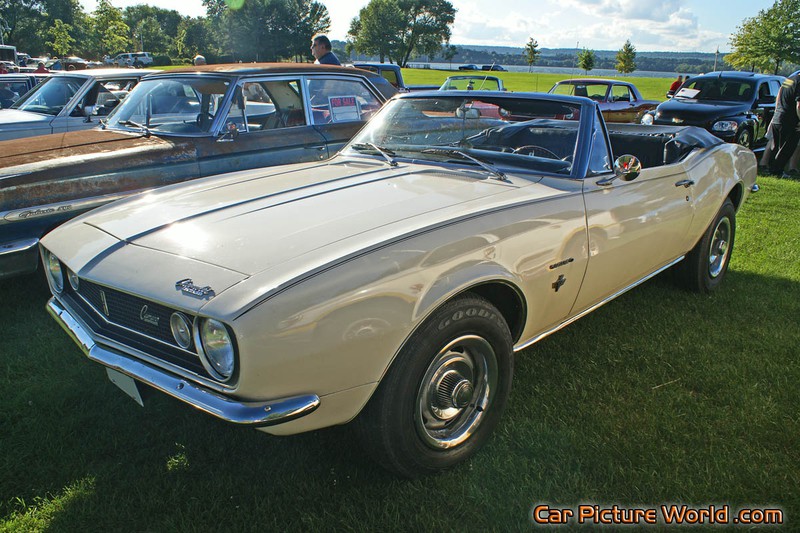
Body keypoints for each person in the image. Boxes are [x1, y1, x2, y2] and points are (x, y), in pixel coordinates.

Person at [766, 73, 800, 177]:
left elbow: (779, 95)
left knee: (776, 147)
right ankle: (777, 172)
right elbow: (799, 105)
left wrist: (777, 111)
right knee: (786, 148)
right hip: (790, 121)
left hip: (778, 117)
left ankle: (772, 170)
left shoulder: (789, 80)